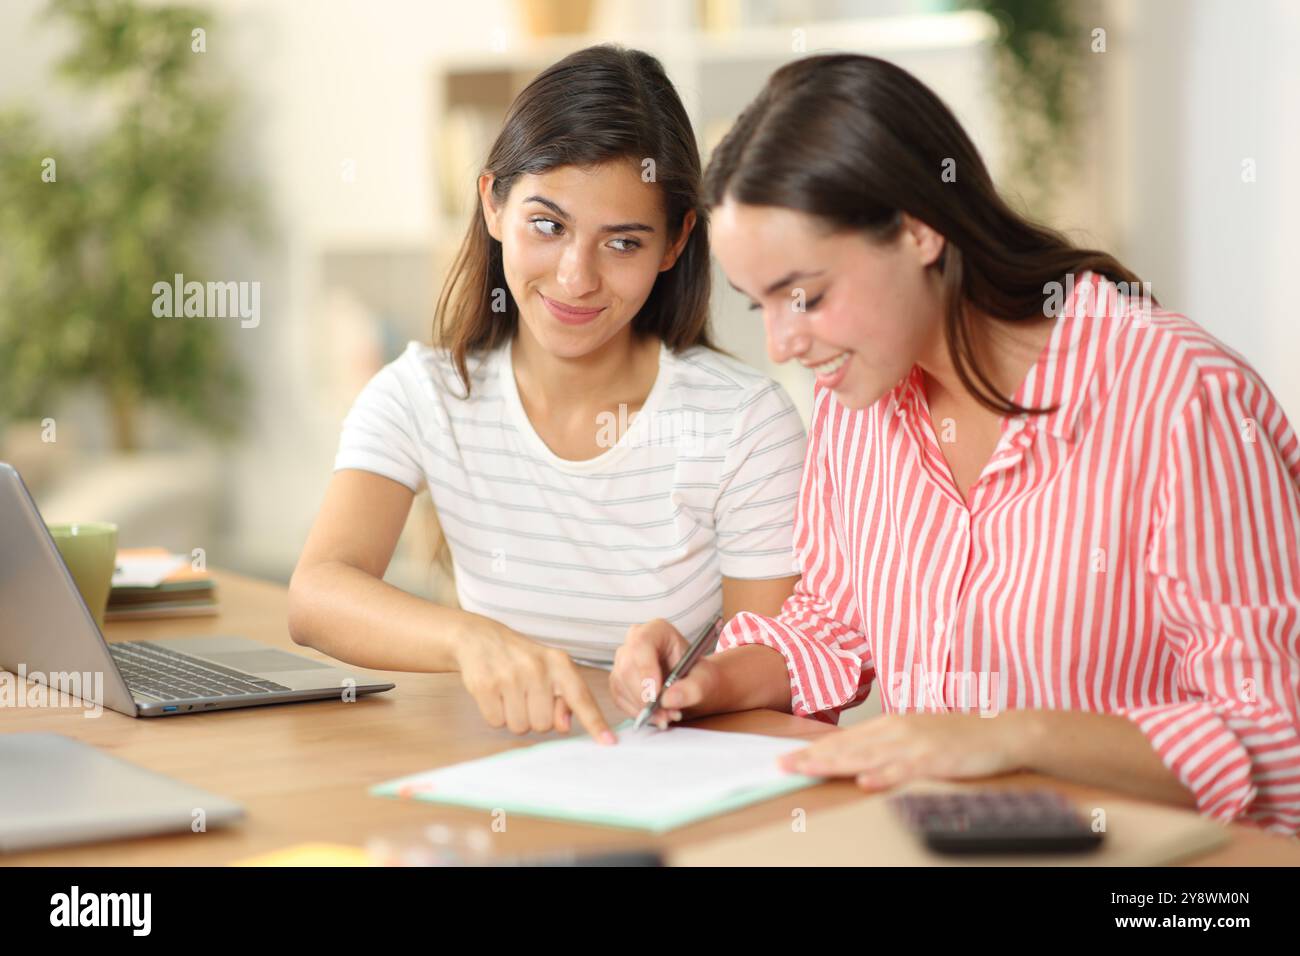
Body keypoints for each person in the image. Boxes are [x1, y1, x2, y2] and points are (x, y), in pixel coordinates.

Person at [611, 54, 1300, 832]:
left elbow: (1276, 740)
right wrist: (712, 679)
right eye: (759, 305)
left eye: (806, 296)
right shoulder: (859, 391)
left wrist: (1010, 737)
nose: (781, 344)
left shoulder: (1183, 398)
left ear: (918, 231)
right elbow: (833, 624)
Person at [289, 46, 805, 742]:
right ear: (493, 203)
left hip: (670, 780)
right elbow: (319, 593)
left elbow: (778, 666)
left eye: (622, 243)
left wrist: (693, 681)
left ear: (678, 241)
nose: (575, 277)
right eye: (548, 225)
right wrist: (472, 641)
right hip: (503, 770)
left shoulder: (744, 422)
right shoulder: (425, 393)